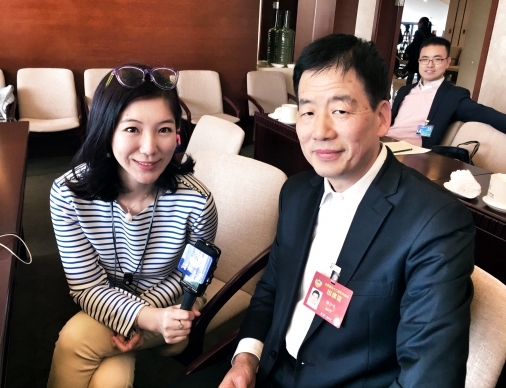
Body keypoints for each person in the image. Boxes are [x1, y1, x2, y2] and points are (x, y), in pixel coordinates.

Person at [173, 34, 475, 388]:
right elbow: (271, 289)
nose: (320, 131)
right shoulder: (297, 193)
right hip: (267, 371)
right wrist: (246, 359)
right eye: (308, 111)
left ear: (382, 117)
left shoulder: (435, 223)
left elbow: (429, 376)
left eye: (340, 111)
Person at [47, 63, 218, 388]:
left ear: (177, 134)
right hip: (112, 303)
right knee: (111, 379)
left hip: (172, 313)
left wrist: (149, 317)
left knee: (75, 339)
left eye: (164, 129)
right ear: (106, 130)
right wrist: (141, 318)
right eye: (132, 129)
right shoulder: (69, 196)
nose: (150, 148)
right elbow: (86, 286)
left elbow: (190, 278)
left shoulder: (197, 202)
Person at [390, 36, 506, 148]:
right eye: (424, 59)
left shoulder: (453, 97)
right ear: (419, 61)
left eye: (437, 59)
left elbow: (487, 114)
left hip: (410, 152)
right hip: (384, 142)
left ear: (448, 62)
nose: (430, 65)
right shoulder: (404, 90)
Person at [401, 17, 432, 85]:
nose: (418, 24)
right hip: (425, 56)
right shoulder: (430, 34)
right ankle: (420, 87)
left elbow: (414, 44)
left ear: (422, 23)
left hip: (415, 56)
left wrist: (407, 52)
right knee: (421, 74)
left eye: (419, 22)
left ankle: (408, 88)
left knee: (411, 74)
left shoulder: (418, 32)